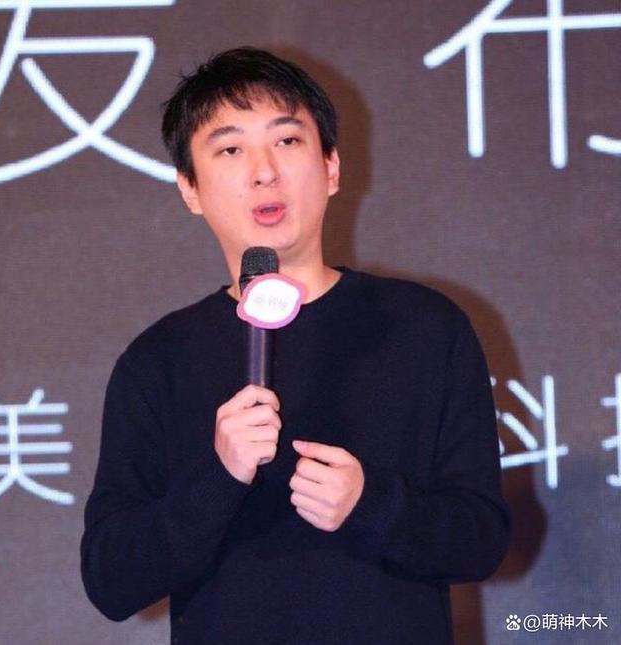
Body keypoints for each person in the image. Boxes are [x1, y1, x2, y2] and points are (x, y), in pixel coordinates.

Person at [81, 47, 511, 644]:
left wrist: (371, 504)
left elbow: (481, 539)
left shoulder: (424, 327)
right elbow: (110, 579)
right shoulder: (159, 361)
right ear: (189, 189)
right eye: (230, 150)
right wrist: (219, 477)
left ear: (332, 167)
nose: (264, 171)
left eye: (287, 141)